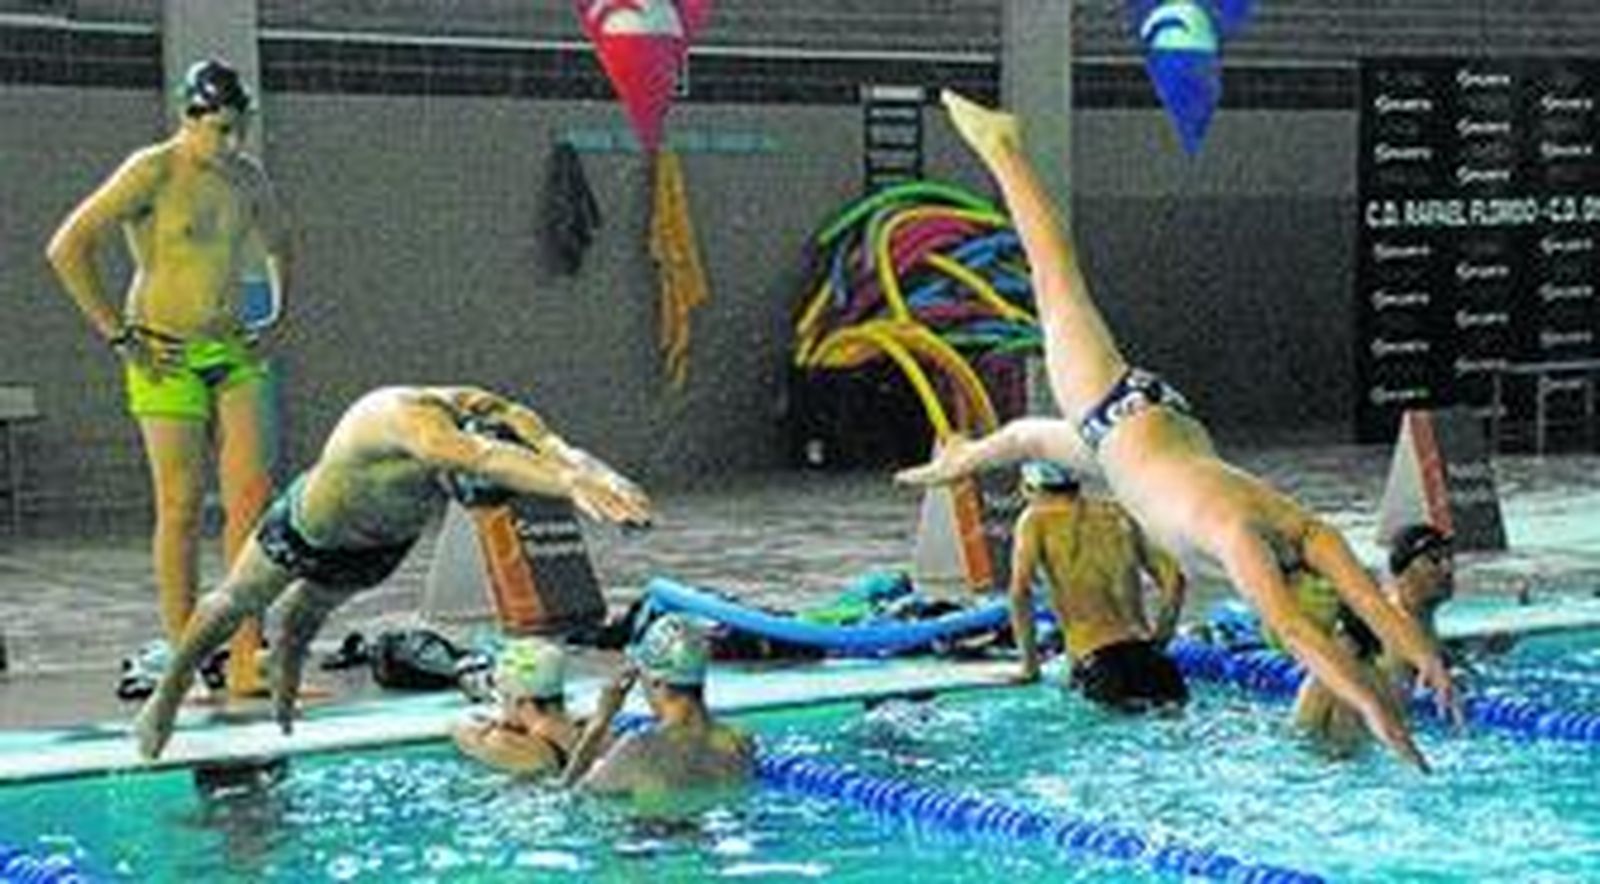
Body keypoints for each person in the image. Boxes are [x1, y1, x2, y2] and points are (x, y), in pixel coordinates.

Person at [897, 90, 1457, 770]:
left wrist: (1426, 657)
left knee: (1029, 441)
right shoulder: (1242, 535)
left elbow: (1370, 600)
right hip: (1121, 414)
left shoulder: (1305, 528)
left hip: (1143, 438)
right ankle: (1002, 146)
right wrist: (1372, 708)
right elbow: (1292, 628)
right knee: (1055, 277)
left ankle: (957, 460)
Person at [133, 385, 651, 760]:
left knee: (301, 625)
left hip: (376, 548)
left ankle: (283, 688)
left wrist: (593, 473)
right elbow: (484, 455)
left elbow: (550, 444)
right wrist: (566, 484)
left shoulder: (494, 412)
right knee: (236, 602)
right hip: (309, 528)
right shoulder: (412, 420)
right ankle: (170, 691)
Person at [46, 58, 295, 697]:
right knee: (180, 507)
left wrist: (273, 308)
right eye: (220, 130)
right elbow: (67, 248)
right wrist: (118, 335)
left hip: (229, 352)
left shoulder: (246, 177)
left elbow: (278, 243)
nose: (232, 143)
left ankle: (245, 657)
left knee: (251, 502)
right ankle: (186, 657)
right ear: (189, 119)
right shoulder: (151, 169)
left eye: (239, 129)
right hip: (163, 357)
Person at [1008, 461, 1189, 711]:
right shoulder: (1118, 514)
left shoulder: (1035, 519)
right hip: (1155, 663)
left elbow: (1020, 593)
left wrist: (1030, 666)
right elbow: (1175, 580)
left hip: (1100, 665)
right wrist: (1160, 639)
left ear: (1030, 488)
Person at [1293, 524, 1455, 756]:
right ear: (1402, 572)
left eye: (1450, 559)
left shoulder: (1416, 627)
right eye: (1434, 560)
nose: (1448, 569)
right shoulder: (1384, 634)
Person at [562, 614, 754, 796]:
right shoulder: (741, 742)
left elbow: (570, 798)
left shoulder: (639, 750)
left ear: (656, 680)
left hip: (653, 829)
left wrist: (599, 723)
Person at [453, 638, 585, 777]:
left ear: (516, 697)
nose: (500, 705)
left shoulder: (523, 751)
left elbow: (460, 726)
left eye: (503, 696)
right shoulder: (588, 731)